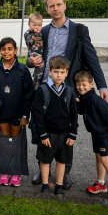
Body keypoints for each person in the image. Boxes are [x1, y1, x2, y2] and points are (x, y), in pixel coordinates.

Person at [27, 0, 108, 188]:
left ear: (64, 6)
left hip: (67, 88)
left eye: (58, 4)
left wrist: (101, 84)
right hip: (44, 87)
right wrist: (30, 61)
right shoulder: (42, 32)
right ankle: (43, 166)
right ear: (47, 9)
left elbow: (92, 58)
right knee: (40, 127)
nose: (55, 8)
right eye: (51, 6)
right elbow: (34, 57)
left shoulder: (79, 31)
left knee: (65, 130)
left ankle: (65, 171)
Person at [75, 70, 108, 201]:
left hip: (104, 134)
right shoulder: (85, 98)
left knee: (105, 161)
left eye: (84, 84)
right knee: (98, 158)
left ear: (92, 85)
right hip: (96, 134)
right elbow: (82, 111)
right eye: (78, 84)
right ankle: (101, 184)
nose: (81, 87)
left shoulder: (95, 100)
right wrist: (77, 102)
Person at [0, 37, 33, 187]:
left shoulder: (22, 70)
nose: (6, 52)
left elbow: (29, 94)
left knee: (16, 143)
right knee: (4, 143)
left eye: (9, 49)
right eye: (3, 49)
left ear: (15, 50)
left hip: (17, 114)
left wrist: (26, 115)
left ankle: (15, 173)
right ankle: (5, 171)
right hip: (1, 115)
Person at [31, 56, 78, 196]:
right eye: (56, 71)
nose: (59, 75)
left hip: (64, 134)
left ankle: (58, 185)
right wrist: (43, 134)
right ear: (50, 72)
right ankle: (45, 185)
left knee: (61, 161)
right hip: (48, 134)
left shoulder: (69, 91)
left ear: (66, 73)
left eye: (62, 72)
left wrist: (73, 133)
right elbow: (37, 114)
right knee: (45, 161)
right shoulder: (42, 90)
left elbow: (74, 114)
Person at [24, 13, 45, 89]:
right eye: (35, 25)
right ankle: (36, 82)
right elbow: (30, 42)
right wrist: (36, 34)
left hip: (40, 53)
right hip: (33, 53)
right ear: (29, 24)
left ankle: (37, 79)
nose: (37, 27)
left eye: (39, 25)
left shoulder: (41, 33)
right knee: (40, 66)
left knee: (41, 67)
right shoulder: (27, 33)